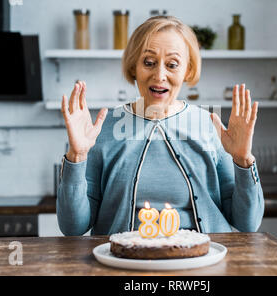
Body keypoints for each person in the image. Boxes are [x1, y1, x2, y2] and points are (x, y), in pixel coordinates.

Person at [57, 16, 264, 235]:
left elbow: (247, 223)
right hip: (123, 263)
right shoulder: (104, 129)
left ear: (188, 70)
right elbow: (73, 228)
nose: (159, 75)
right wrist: (76, 157)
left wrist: (243, 160)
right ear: (134, 67)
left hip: (201, 262)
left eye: (172, 65)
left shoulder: (210, 126)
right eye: (148, 62)